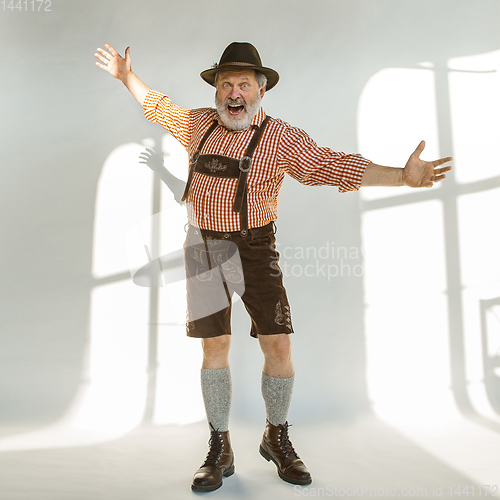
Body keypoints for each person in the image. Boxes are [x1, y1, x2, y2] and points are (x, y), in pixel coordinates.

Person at [95, 41, 452, 492]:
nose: (234, 92)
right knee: (214, 347)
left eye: (244, 83)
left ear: (261, 90)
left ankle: (276, 435)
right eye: (226, 83)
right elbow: (157, 107)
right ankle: (219, 445)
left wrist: (401, 176)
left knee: (278, 344)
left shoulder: (279, 137)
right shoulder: (198, 124)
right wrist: (127, 76)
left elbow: (333, 167)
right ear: (216, 91)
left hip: (255, 249)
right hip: (204, 249)